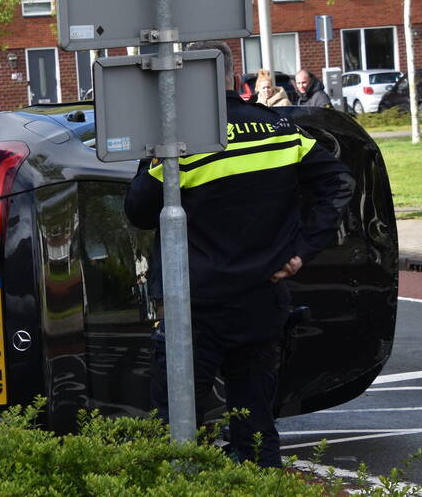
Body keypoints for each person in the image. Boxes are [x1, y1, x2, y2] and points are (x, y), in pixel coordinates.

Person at [124, 40, 353, 468]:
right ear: (233, 75)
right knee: (255, 424)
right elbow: (338, 182)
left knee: (174, 429)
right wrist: (302, 251)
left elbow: (137, 212)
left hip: (195, 306)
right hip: (261, 300)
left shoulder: (181, 142)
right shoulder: (278, 128)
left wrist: (154, 150)